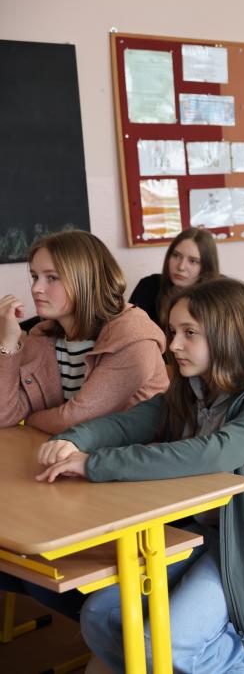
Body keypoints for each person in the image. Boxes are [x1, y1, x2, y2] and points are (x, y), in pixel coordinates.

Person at [36, 277, 244, 672]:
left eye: (189, 333)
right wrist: (73, 440)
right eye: (173, 331)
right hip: (207, 535)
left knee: (157, 646)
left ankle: (242, 661)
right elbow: (128, 423)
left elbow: (212, 453)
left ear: (229, 334)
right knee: (100, 616)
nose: (173, 344)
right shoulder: (192, 388)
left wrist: (94, 464)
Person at [0, 229, 169, 621]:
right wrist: (8, 343)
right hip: (69, 473)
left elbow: (76, 418)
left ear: (85, 279)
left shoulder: (133, 338)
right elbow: (6, 414)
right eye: (34, 276)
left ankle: (126, 627)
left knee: (37, 573)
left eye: (52, 277)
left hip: (133, 481)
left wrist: (35, 417)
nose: (36, 288)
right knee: (16, 563)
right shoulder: (43, 336)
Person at [128, 227, 219, 326]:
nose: (181, 267)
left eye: (193, 261)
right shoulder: (148, 286)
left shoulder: (221, 296)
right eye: (176, 255)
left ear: (206, 266)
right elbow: (129, 329)